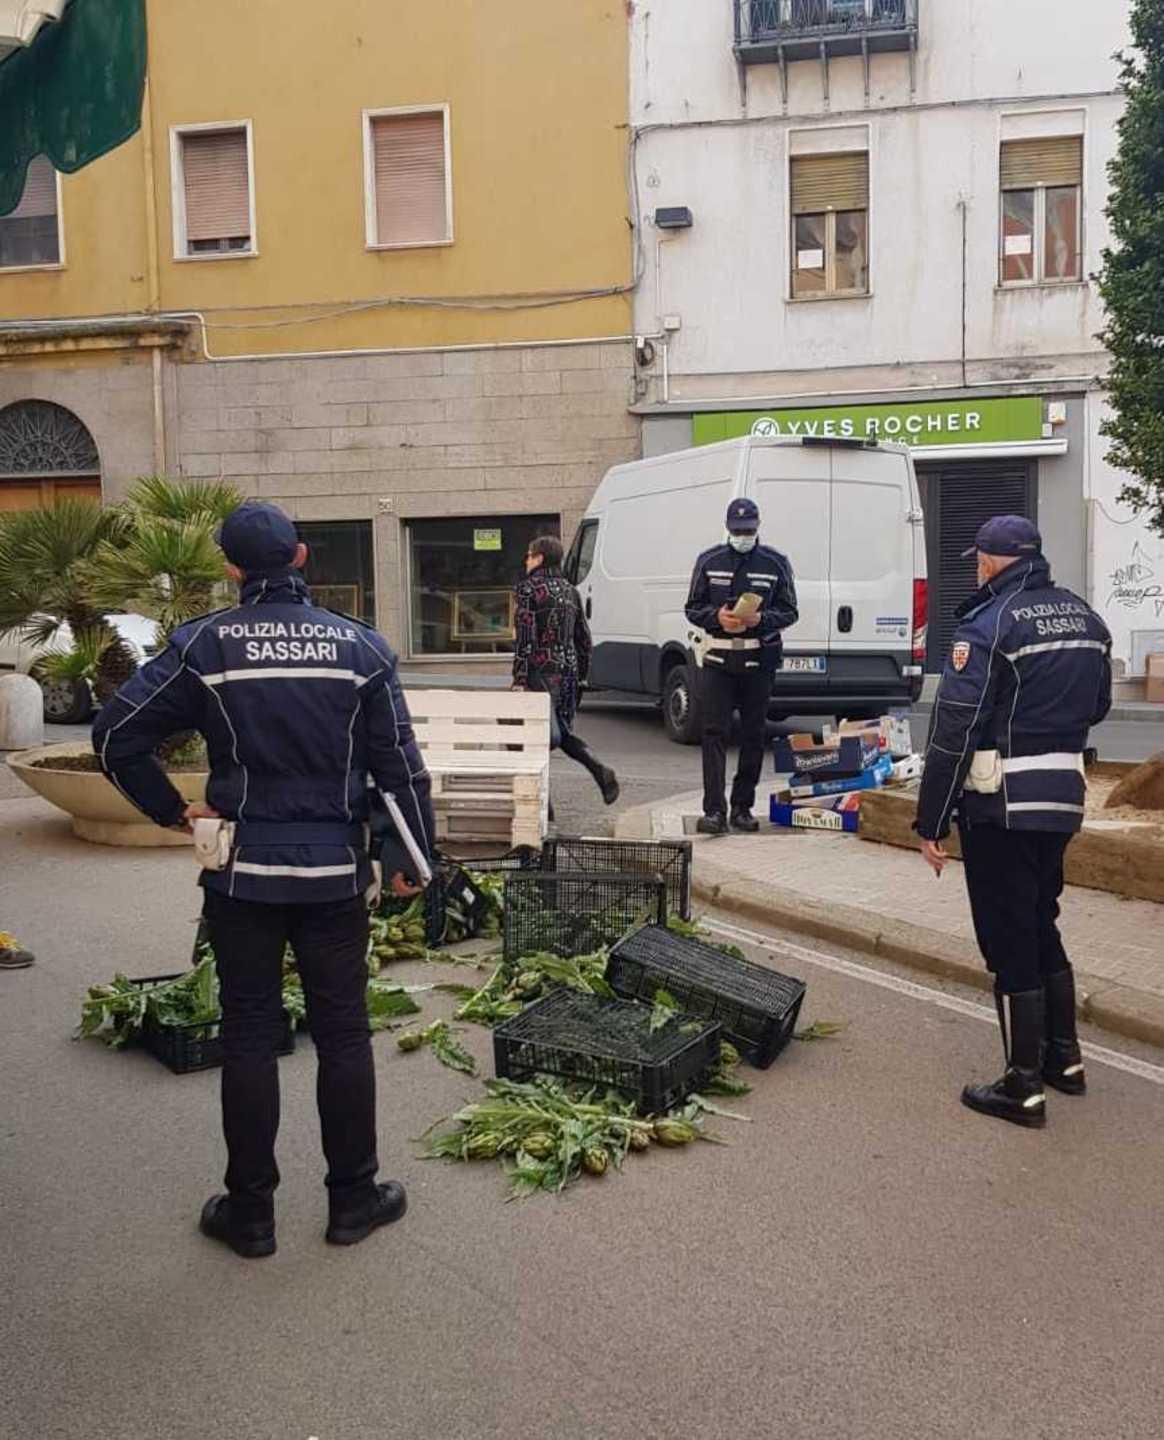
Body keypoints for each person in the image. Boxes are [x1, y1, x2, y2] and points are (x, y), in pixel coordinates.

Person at [93, 501, 435, 1257]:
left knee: (249, 1034)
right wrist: (412, 859)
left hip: (242, 875)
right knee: (343, 1033)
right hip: (334, 876)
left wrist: (170, 811)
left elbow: (116, 733)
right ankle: (353, 1201)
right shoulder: (362, 649)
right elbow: (399, 768)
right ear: (303, 558)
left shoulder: (204, 646)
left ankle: (250, 1214)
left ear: (232, 569)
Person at [915, 515, 1112, 1130]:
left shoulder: (989, 624)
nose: (976, 566)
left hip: (1000, 805)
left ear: (992, 561)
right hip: (1063, 799)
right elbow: (1100, 705)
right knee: (1040, 918)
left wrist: (931, 820)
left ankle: (1022, 1086)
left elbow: (956, 728)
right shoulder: (1087, 618)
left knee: (1007, 935)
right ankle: (1065, 1060)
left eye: (978, 558)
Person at [684, 498, 798, 834]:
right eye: (737, 530)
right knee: (714, 733)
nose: (742, 535)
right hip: (719, 658)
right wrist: (715, 617)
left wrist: (761, 619)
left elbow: (790, 611)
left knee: (753, 735)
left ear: (758, 527)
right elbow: (692, 607)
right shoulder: (709, 560)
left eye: (747, 530)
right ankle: (714, 812)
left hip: (758, 659)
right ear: (728, 527)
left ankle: (742, 808)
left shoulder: (775, 563)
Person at [512, 534, 619, 806]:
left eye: (529, 554)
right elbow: (584, 639)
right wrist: (581, 674)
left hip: (540, 671)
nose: (526, 560)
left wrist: (520, 678)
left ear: (539, 558)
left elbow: (525, 639)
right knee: (559, 732)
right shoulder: (571, 590)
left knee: (535, 739)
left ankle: (543, 808)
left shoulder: (528, 590)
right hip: (568, 671)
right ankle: (598, 770)